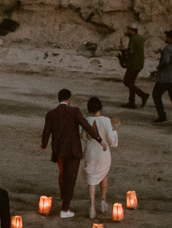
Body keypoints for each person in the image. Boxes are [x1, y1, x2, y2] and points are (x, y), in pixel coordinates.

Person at [40, 89, 86, 219]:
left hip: (59, 150)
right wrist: (99, 139)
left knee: (63, 175)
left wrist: (44, 145)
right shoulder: (75, 111)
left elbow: (46, 132)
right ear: (69, 99)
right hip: (73, 150)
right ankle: (65, 208)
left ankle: (63, 198)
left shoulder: (51, 114)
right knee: (70, 178)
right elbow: (85, 125)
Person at [80, 96, 120, 219]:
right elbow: (111, 140)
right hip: (103, 153)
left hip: (91, 152)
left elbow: (84, 137)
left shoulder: (86, 120)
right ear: (100, 108)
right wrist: (116, 130)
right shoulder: (106, 120)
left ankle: (92, 207)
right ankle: (103, 201)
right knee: (104, 175)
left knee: (91, 179)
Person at [119, 25, 150, 109]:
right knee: (131, 83)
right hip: (139, 63)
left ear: (131, 30)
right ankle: (131, 102)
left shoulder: (133, 39)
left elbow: (131, 51)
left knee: (127, 82)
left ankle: (143, 95)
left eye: (128, 30)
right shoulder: (139, 37)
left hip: (133, 64)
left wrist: (123, 49)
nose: (127, 31)